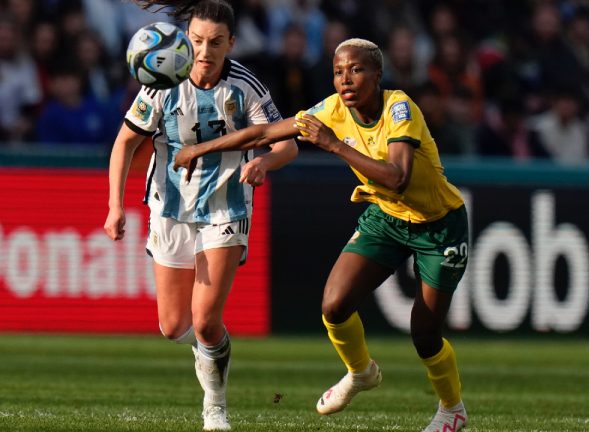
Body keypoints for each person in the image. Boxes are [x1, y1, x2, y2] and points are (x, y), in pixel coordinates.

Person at [174, 38, 469, 432]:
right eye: (338, 72)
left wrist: (332, 144)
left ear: (377, 75)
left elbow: (397, 178)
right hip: (387, 218)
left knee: (425, 334)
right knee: (334, 304)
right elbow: (263, 133)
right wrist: (202, 149)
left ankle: (452, 410)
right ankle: (361, 372)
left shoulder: (400, 108)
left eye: (356, 70)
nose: (345, 80)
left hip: (439, 224)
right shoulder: (331, 108)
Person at [103, 0, 297, 430]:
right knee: (174, 327)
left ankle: (215, 407)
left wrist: (265, 162)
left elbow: (287, 142)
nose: (204, 51)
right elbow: (125, 143)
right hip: (169, 207)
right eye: (196, 40)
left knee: (206, 321)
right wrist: (116, 205)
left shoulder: (244, 86)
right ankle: (210, 352)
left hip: (225, 205)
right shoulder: (161, 79)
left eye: (214, 42)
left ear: (231, 43)